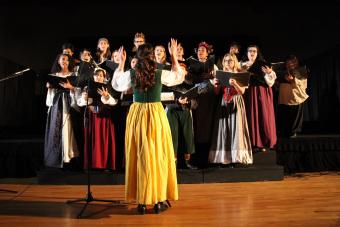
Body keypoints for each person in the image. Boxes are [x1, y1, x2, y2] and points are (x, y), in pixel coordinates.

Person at [111, 39, 184, 215]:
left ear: (138, 56)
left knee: (140, 156)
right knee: (157, 155)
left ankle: (142, 202)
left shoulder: (131, 73)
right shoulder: (159, 73)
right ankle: (158, 201)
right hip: (156, 114)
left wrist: (121, 63)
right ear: (152, 56)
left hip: (138, 114)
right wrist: (173, 55)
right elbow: (178, 76)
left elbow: (117, 84)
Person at [209, 53, 252, 166]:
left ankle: (236, 158)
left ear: (234, 62)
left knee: (236, 129)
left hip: (236, 102)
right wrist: (216, 85)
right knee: (223, 129)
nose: (228, 62)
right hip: (223, 103)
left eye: (231, 60)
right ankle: (224, 158)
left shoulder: (240, 74)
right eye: (226, 60)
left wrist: (235, 84)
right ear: (223, 62)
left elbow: (242, 91)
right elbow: (217, 92)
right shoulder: (220, 74)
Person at [77, 68, 118, 170]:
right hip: (92, 116)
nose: (98, 77)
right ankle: (92, 164)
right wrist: (85, 98)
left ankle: (105, 164)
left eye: (101, 75)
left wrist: (107, 96)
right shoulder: (87, 87)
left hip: (104, 116)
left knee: (104, 139)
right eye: (96, 75)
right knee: (92, 138)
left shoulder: (108, 87)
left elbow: (114, 102)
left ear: (104, 77)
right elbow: (80, 103)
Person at [165, 42, 197, 169]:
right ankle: (173, 161)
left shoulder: (190, 82)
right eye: (179, 69)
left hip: (185, 110)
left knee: (187, 135)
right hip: (172, 110)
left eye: (183, 69)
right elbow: (164, 97)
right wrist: (177, 101)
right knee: (172, 135)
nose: (181, 71)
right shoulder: (169, 81)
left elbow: (196, 99)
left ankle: (188, 161)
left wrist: (188, 102)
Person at [44, 54, 80, 168]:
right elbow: (50, 95)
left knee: (68, 128)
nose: (65, 61)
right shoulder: (54, 75)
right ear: (58, 62)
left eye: (67, 60)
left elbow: (78, 90)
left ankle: (69, 157)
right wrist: (50, 87)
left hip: (69, 102)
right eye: (62, 59)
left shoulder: (74, 75)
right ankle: (57, 157)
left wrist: (71, 87)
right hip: (57, 104)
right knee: (57, 128)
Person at [240, 45, 277, 152]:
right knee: (250, 115)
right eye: (250, 51)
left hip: (262, 92)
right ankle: (252, 141)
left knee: (263, 115)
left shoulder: (263, 64)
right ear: (246, 53)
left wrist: (269, 73)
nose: (252, 53)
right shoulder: (242, 65)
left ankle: (264, 141)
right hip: (248, 93)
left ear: (257, 53)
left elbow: (271, 82)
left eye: (254, 51)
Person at [277, 55, 308, 137]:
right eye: (288, 63)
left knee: (295, 116)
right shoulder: (282, 71)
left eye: (292, 63)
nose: (290, 65)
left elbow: (303, 85)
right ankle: (284, 131)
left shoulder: (300, 71)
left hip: (295, 96)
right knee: (284, 115)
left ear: (295, 63)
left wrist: (293, 80)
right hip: (284, 96)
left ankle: (294, 131)